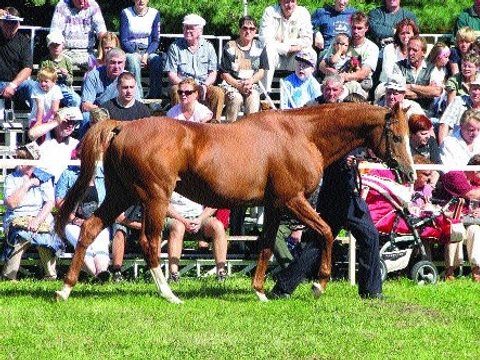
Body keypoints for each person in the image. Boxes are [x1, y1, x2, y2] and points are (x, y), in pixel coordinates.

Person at [272, 153, 384, 299]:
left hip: (347, 196)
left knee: (320, 244)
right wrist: (343, 161)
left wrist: (357, 156)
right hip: (336, 196)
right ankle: (371, 291)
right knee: (321, 244)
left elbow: (361, 147)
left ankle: (282, 288)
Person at [1, 144, 61, 281]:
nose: (22, 162)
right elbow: (12, 204)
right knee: (20, 235)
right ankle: (9, 276)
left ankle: (50, 275)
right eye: (20, 158)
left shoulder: (43, 177)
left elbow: (49, 203)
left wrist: (36, 220)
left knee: (44, 236)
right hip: (17, 216)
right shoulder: (12, 178)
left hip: (39, 217)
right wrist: (26, 185)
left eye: (26, 158)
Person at [55, 151, 111, 282]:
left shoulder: (102, 175)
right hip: (73, 222)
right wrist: (73, 219)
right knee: (82, 244)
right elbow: (59, 202)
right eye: (81, 157)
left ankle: (102, 272)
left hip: (97, 221)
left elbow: (108, 200)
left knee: (101, 245)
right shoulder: (68, 174)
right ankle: (98, 276)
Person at [164, 14, 224, 122]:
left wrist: (205, 85)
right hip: (182, 84)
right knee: (175, 90)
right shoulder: (175, 47)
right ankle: (180, 125)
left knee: (218, 92)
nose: (187, 30)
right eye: (185, 27)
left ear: (200, 31)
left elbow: (213, 73)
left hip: (202, 85)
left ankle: (214, 125)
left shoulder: (208, 47)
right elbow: (171, 74)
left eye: (191, 28)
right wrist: (186, 87)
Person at [165, 192, 227, 282]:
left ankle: (221, 272)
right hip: (175, 218)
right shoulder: (169, 180)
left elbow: (214, 202)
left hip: (199, 218)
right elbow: (164, 203)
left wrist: (200, 219)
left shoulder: (200, 180)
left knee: (217, 226)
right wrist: (183, 220)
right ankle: (173, 274)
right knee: (178, 227)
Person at [436, 154, 480, 282]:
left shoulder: (475, 183)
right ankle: (449, 271)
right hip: (448, 219)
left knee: (476, 231)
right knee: (457, 229)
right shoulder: (455, 175)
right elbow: (470, 194)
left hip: (469, 220)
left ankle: (476, 272)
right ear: (476, 170)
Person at [81, 47, 142, 137]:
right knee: (86, 117)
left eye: (120, 63)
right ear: (106, 62)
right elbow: (86, 106)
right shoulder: (93, 76)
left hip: (123, 114)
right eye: (113, 62)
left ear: (125, 63)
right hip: (99, 115)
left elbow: (138, 105)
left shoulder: (129, 78)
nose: (116, 67)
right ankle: (82, 148)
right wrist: (104, 114)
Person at [219, 16, 268, 122]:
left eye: (252, 29)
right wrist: (238, 85)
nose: (248, 31)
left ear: (255, 31)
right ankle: (230, 131)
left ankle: (251, 133)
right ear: (239, 29)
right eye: (245, 28)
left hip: (251, 85)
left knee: (254, 98)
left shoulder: (260, 47)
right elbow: (224, 73)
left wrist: (250, 81)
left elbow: (261, 71)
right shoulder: (229, 46)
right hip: (232, 85)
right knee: (236, 99)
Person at [319, 12, 379, 99]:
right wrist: (329, 70)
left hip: (357, 84)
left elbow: (362, 74)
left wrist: (342, 77)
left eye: (359, 28)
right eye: (353, 27)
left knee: (349, 88)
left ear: (366, 28)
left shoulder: (372, 48)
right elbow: (322, 65)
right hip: (332, 81)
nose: (355, 31)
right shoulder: (340, 41)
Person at [258, 0, 313, 93]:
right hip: (276, 58)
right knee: (268, 50)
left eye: (293, 1)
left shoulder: (303, 13)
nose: (290, 5)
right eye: (286, 2)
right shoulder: (270, 12)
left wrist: (284, 41)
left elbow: (307, 40)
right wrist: (289, 48)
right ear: (280, 1)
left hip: (294, 58)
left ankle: (305, 92)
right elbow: (266, 40)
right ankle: (264, 93)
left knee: (310, 53)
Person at [120, 0, 163, 99]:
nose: (141, 1)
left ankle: (154, 98)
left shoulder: (154, 13)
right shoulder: (126, 13)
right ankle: (138, 97)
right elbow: (124, 40)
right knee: (133, 60)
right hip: (130, 50)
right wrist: (135, 54)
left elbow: (156, 40)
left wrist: (146, 54)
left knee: (157, 60)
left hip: (148, 50)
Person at [393, 35, 444, 117]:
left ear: (423, 52)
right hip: (404, 112)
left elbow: (437, 91)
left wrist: (411, 86)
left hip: (426, 114)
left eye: (415, 50)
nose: (410, 53)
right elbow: (398, 91)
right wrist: (426, 91)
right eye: (409, 49)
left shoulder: (432, 68)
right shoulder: (398, 66)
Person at [50, 0, 107, 70]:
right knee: (54, 70)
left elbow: (102, 30)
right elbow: (55, 32)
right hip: (66, 53)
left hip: (88, 53)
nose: (82, 2)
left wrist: (105, 41)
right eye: (79, 0)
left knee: (100, 69)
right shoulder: (62, 5)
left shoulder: (93, 5)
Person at [0, 7, 35, 109]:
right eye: (7, 22)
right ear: (1, 22)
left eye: (13, 22)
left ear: (19, 24)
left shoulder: (23, 42)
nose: (9, 26)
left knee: (32, 86)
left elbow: (27, 69)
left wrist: (12, 85)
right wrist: (2, 12)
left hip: (17, 85)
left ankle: (37, 122)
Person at [39, 32, 81, 108]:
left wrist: (66, 75)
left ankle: (71, 117)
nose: (55, 47)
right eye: (52, 45)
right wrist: (51, 73)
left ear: (63, 46)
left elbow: (70, 82)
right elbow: (40, 79)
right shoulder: (45, 61)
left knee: (76, 99)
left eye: (58, 45)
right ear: (48, 47)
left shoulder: (67, 61)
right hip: (50, 88)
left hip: (64, 88)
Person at [437, 77, 480, 144]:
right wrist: (443, 147)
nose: (476, 92)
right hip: (456, 144)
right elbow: (444, 124)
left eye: (479, 89)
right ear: (469, 90)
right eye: (474, 89)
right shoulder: (458, 101)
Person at [28, 67, 63, 145]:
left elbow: (55, 108)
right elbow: (40, 106)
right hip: (36, 118)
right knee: (37, 134)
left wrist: (55, 120)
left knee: (52, 135)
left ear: (54, 82)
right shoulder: (36, 87)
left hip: (50, 119)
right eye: (41, 81)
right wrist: (39, 121)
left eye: (46, 81)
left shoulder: (56, 89)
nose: (43, 84)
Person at [379, 18, 419, 83]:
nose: (405, 36)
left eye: (408, 33)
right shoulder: (389, 49)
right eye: (402, 33)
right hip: (388, 84)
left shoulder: (419, 50)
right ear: (398, 35)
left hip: (411, 86)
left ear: (414, 34)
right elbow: (387, 73)